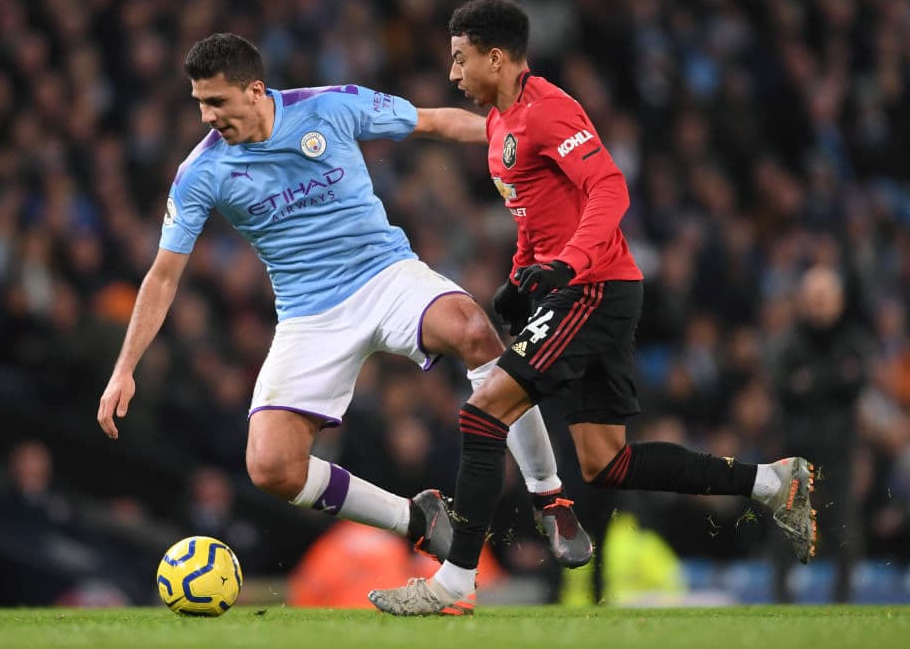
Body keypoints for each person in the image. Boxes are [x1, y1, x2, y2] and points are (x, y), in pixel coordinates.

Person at [369, 0, 817, 616]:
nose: (454, 74)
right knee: (607, 461)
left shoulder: (550, 111)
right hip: (583, 287)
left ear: (496, 58)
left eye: (460, 59)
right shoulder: (500, 123)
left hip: (595, 288)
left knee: (482, 413)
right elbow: (531, 211)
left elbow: (608, 186)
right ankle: (772, 482)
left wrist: (566, 268)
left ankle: (453, 582)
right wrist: (522, 274)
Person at [95, 32, 592, 568]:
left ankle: (550, 497)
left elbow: (433, 121)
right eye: (199, 103)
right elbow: (163, 276)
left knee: (474, 330)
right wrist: (125, 368)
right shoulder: (200, 174)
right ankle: (417, 519)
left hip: (385, 276)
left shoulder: (327, 108)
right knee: (271, 467)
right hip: (309, 315)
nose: (206, 116)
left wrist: (523, 141)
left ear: (255, 90)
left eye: (216, 101)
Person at [772, 265, 871, 602]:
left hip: (839, 450)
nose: (818, 305)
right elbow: (783, 389)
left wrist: (812, 381)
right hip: (796, 449)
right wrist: (832, 379)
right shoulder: (789, 342)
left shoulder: (852, 340)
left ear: (839, 301)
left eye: (824, 298)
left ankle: (843, 599)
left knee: (844, 528)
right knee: (788, 528)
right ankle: (780, 601)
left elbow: (855, 383)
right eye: (812, 298)